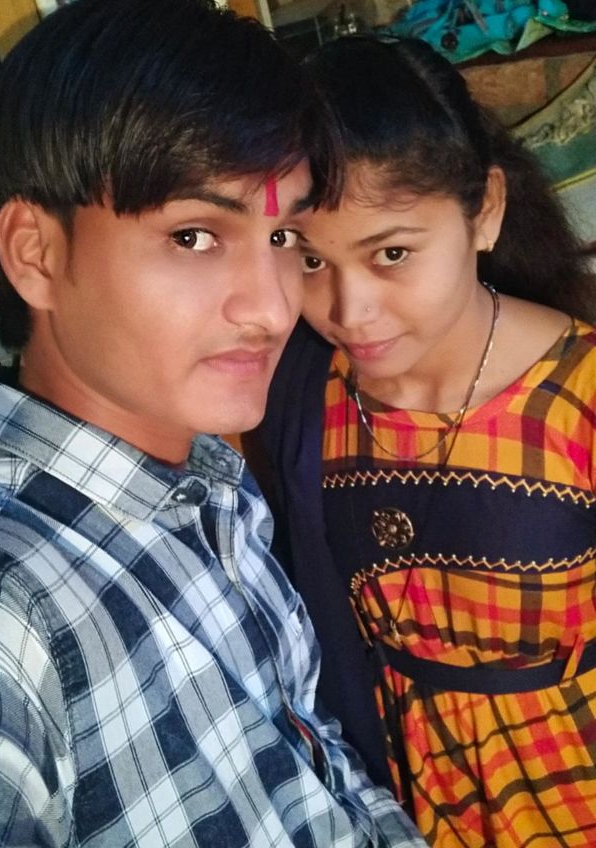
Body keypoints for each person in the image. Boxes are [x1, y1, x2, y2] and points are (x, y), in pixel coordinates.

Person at [0, 4, 427, 846]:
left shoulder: (209, 483)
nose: (273, 307)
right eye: (195, 235)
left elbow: (312, 760)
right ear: (36, 253)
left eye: (284, 235)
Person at [244, 34, 596, 848]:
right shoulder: (304, 394)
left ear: (486, 211)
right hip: (397, 804)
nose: (350, 310)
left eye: (393, 253)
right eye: (308, 259)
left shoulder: (577, 394)